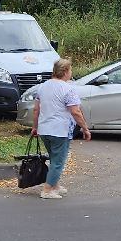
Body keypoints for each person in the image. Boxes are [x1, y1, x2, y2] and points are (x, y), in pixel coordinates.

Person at [28, 58, 90, 200]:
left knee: (54, 158)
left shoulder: (42, 87)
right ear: (65, 71)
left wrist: (35, 127)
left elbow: (36, 110)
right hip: (60, 131)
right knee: (58, 161)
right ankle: (47, 190)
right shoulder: (68, 89)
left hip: (44, 130)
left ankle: (54, 185)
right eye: (70, 70)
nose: (71, 72)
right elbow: (75, 112)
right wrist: (85, 128)